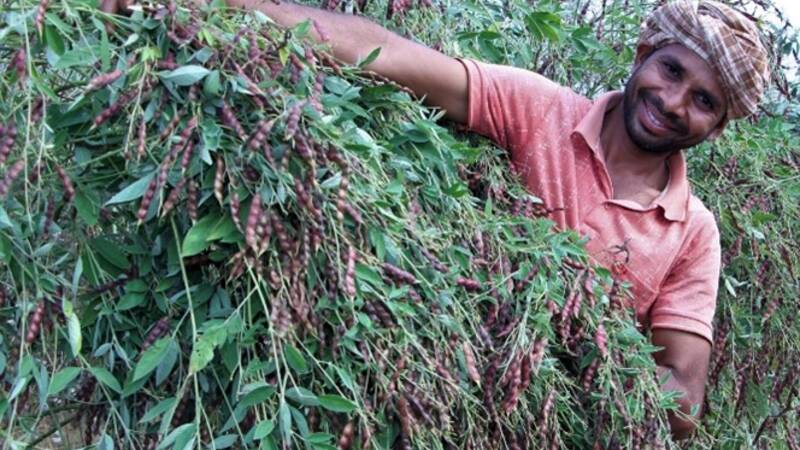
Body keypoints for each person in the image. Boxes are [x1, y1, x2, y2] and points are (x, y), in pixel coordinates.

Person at [102, 0, 770, 439]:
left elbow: (682, 401)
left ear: (717, 125)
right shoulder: (539, 110)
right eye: (671, 70)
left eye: (703, 100)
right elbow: (386, 55)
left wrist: (574, 325)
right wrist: (219, 10)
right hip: (417, 405)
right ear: (642, 56)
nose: (673, 101)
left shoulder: (692, 231)